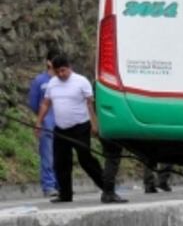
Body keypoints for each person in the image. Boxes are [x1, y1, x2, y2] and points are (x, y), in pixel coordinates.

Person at [35, 55, 125, 203]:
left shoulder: (81, 81)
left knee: (86, 160)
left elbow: (90, 104)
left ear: (69, 67)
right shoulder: (52, 83)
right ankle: (65, 194)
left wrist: (95, 125)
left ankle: (108, 190)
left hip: (80, 127)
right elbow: (45, 104)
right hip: (60, 128)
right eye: (58, 72)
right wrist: (39, 122)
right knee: (61, 162)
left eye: (63, 70)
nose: (61, 74)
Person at [27, 50, 59, 197]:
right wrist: (42, 119)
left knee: (61, 156)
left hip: (63, 126)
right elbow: (33, 103)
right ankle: (49, 186)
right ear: (49, 62)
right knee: (47, 157)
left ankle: (61, 184)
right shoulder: (40, 81)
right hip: (46, 126)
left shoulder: (63, 79)